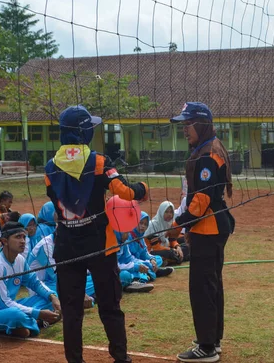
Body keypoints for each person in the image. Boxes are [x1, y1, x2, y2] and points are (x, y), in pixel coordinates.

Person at [44, 105, 148, 363]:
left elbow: (55, 202)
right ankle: (121, 358)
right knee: (110, 306)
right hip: (100, 244)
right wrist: (142, 188)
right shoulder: (99, 162)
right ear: (84, 132)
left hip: (66, 245)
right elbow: (123, 191)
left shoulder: (49, 167)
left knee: (71, 311)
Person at [168, 102, 235, 362]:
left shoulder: (208, 154)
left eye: (188, 124)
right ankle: (212, 340)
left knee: (203, 288)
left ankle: (207, 347)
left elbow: (201, 202)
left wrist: (177, 225)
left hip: (209, 228)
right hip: (209, 228)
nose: (185, 130)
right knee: (211, 285)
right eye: (183, 125)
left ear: (202, 124)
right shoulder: (206, 148)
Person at [0, 222, 61, 337]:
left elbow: (34, 282)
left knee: (49, 300)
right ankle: (35, 323)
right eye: (18, 237)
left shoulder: (20, 259)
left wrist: (52, 296)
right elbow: (4, 302)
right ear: (4, 241)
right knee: (16, 314)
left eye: (24, 237)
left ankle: (22, 325)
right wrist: (37, 313)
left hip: (9, 306)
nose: (23, 241)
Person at [27, 231, 95, 309]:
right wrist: (82, 293)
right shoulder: (45, 245)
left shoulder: (67, 242)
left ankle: (79, 300)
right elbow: (57, 275)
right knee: (56, 296)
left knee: (95, 279)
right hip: (43, 286)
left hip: (59, 282)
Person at [129, 212, 174, 278]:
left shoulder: (141, 238)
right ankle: (153, 272)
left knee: (158, 259)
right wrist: (146, 262)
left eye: (145, 224)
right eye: (141, 223)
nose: (143, 226)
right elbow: (128, 259)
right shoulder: (128, 237)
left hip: (142, 261)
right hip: (133, 263)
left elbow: (145, 253)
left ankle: (150, 270)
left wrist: (152, 259)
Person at [144, 201, 183, 266]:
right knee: (171, 253)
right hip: (151, 251)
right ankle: (166, 259)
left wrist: (177, 247)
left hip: (164, 248)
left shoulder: (170, 223)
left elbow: (172, 239)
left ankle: (168, 259)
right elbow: (156, 247)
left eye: (171, 212)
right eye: (166, 212)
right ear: (161, 212)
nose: (169, 214)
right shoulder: (153, 225)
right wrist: (172, 250)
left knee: (185, 246)